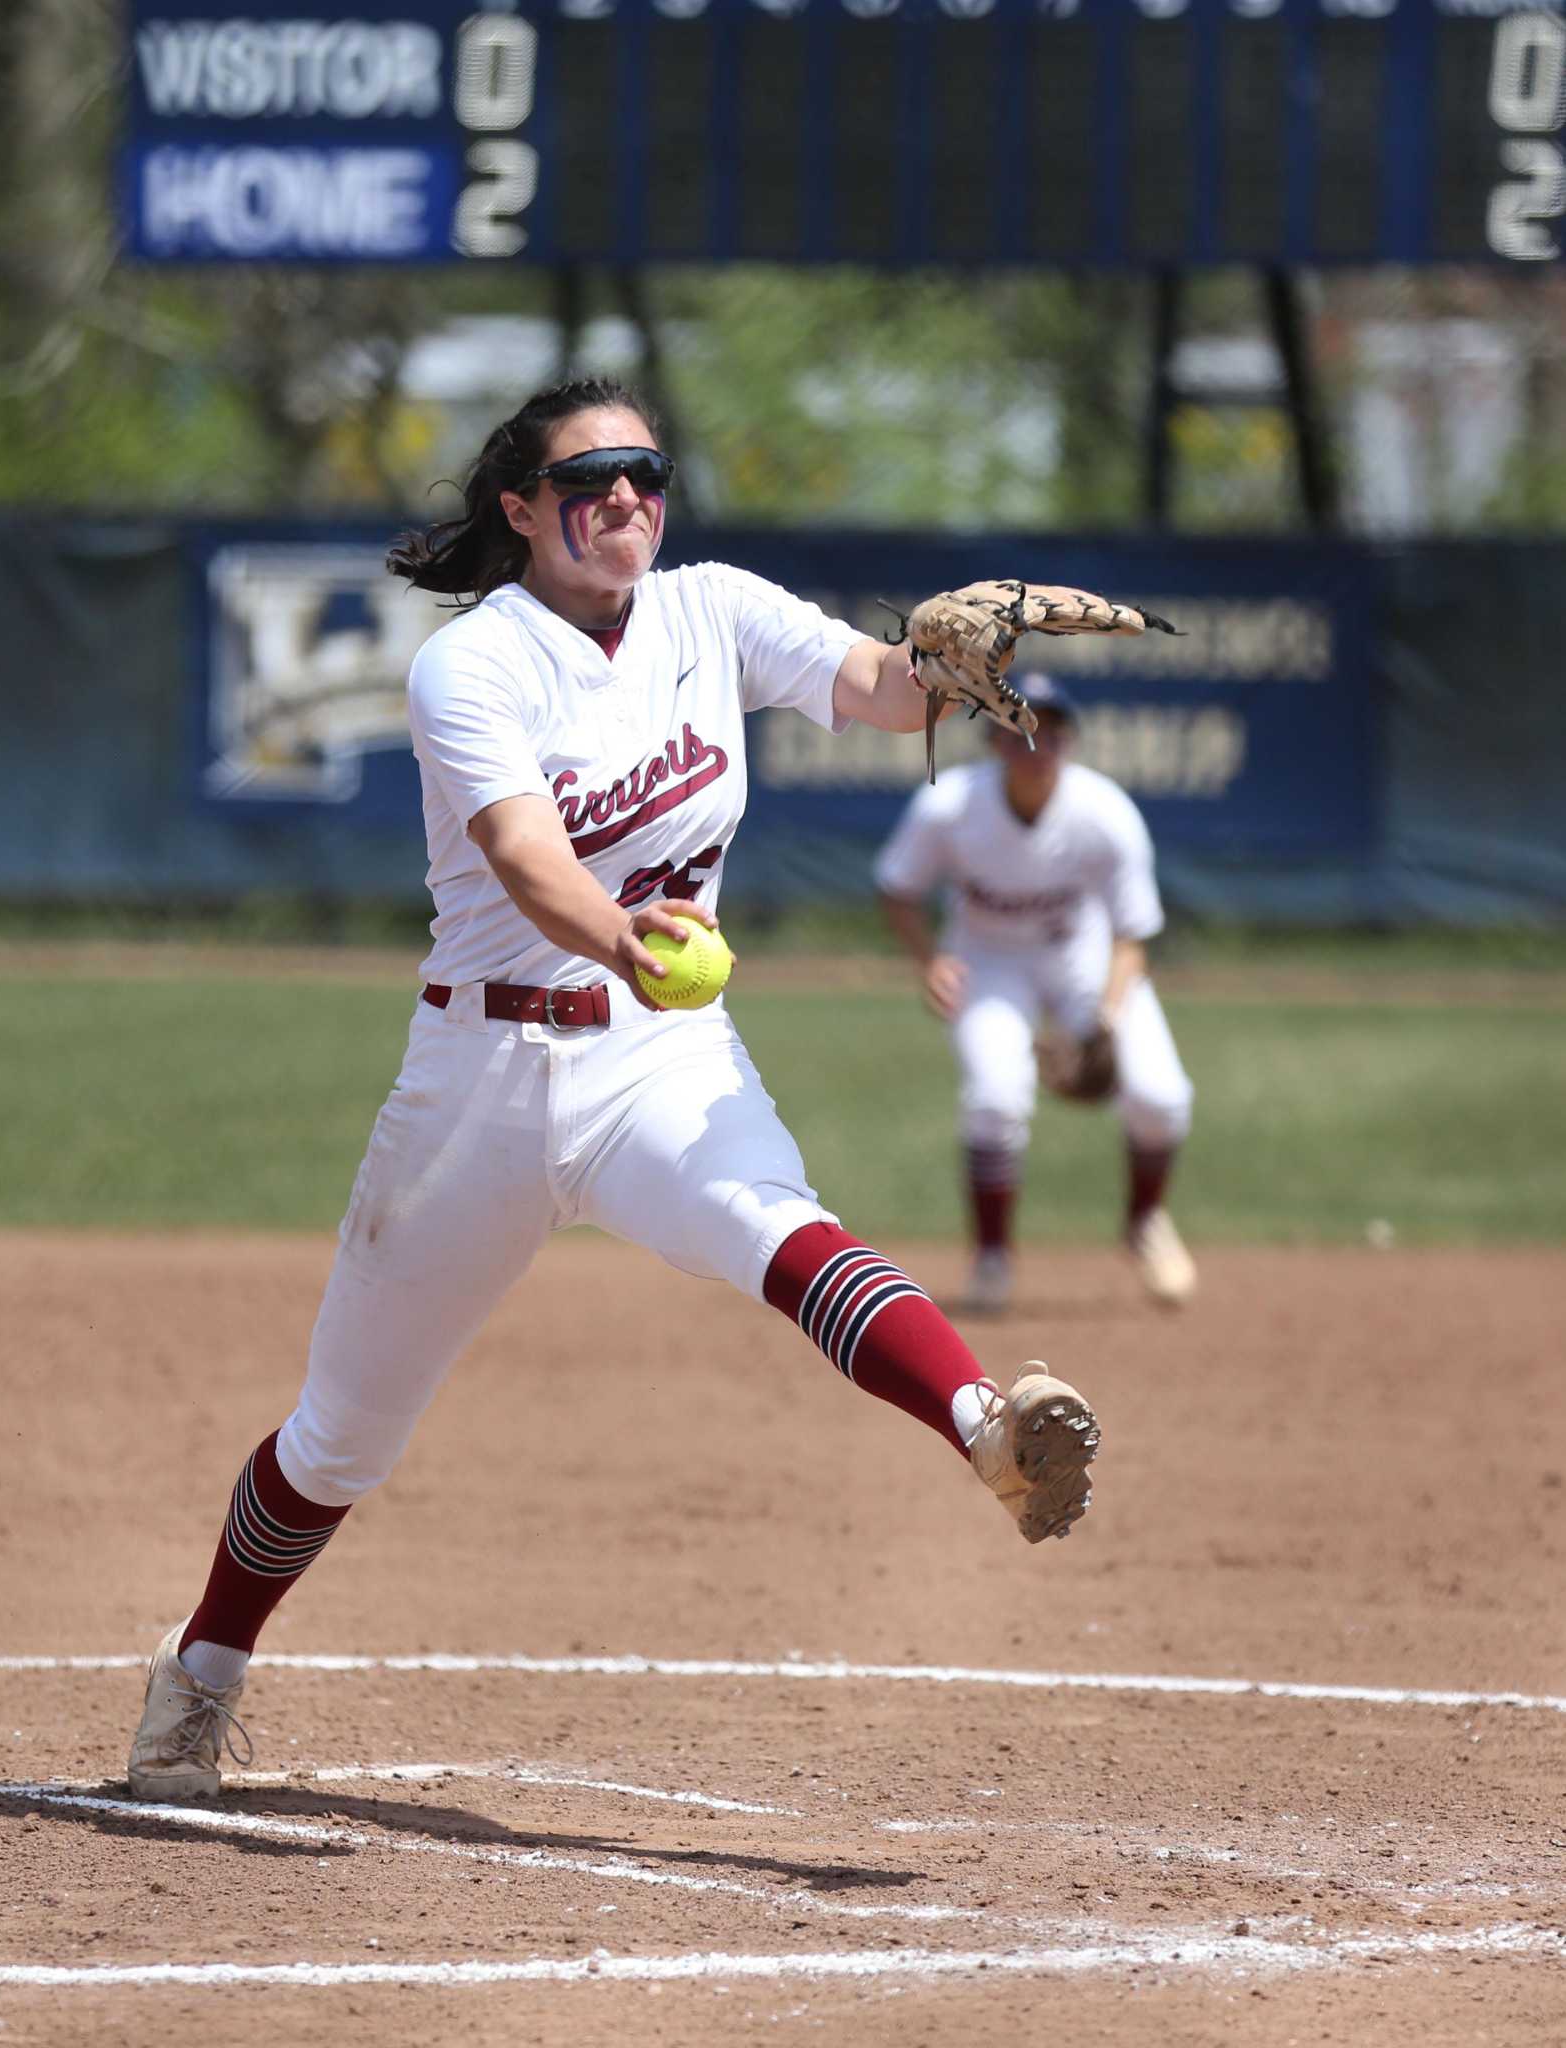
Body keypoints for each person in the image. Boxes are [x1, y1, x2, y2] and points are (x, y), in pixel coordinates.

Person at [127, 379, 1102, 1801]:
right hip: (483, 1077)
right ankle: (202, 1668)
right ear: (519, 511)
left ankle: (986, 1432)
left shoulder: (711, 610)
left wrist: (942, 657)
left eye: (646, 472)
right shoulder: (474, 667)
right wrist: (625, 938)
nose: (627, 499)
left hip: (654, 1059)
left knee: (778, 1224)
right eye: (591, 481)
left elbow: (882, 698)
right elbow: (527, 861)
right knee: (341, 1438)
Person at [872, 672, 1197, 1317]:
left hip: (1083, 957)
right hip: (987, 959)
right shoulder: (950, 805)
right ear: (993, 739)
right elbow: (896, 886)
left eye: (1050, 730)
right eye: (1019, 727)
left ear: (1069, 742)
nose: (1035, 741)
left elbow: (1133, 934)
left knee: (1161, 1096)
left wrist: (1103, 1020)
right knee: (995, 1096)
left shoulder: (1105, 813)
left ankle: (1145, 1223)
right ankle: (992, 1257)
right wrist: (928, 960)